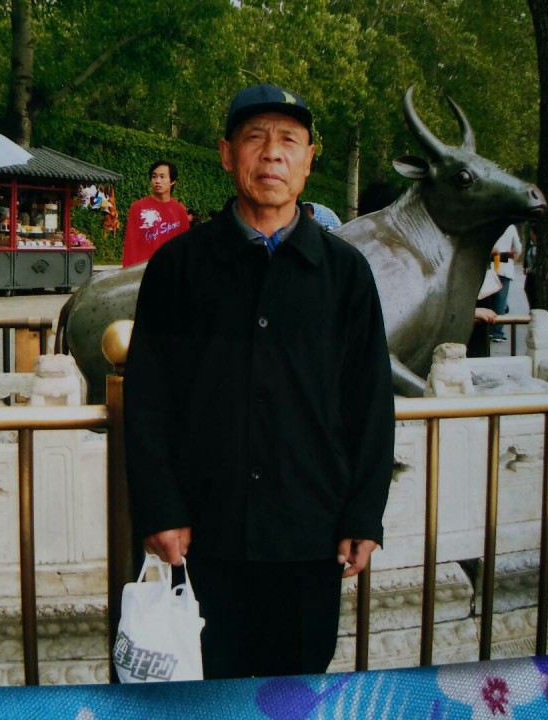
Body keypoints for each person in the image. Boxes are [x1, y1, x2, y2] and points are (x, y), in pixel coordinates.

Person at [124, 83, 395, 679]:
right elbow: (147, 399)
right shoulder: (179, 267)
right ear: (227, 154)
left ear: (308, 160)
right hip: (203, 535)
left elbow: (371, 401)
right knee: (205, 696)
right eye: (256, 138)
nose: (273, 153)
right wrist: (160, 508)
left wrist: (364, 515)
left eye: (289, 141)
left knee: (293, 695)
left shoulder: (345, 273)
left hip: (309, 536)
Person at [121, 160, 190, 267]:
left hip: (171, 269)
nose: (157, 181)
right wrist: (129, 271)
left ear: (172, 181)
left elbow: (185, 245)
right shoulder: (138, 207)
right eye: (154, 177)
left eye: (162, 177)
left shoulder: (179, 210)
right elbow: (131, 244)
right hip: (144, 270)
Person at [488, 223, 523, 342]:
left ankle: (488, 329)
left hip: (489, 266)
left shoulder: (490, 224)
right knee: (500, 301)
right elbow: (518, 248)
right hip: (504, 267)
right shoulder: (510, 227)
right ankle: (497, 332)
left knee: (488, 299)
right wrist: (512, 260)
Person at [524, 225, 538, 311]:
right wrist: (525, 267)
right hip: (529, 273)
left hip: (534, 274)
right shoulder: (530, 244)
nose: (530, 234)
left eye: (531, 232)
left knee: (534, 293)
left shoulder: (539, 247)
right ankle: (531, 309)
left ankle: (534, 309)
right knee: (527, 289)